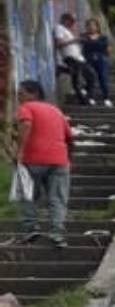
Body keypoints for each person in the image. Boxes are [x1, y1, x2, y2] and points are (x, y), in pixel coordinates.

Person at [13, 80, 73, 248]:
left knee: (27, 194)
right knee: (57, 198)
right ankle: (57, 233)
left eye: (22, 93)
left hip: (32, 159)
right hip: (59, 160)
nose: (19, 97)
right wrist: (67, 158)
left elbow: (26, 123)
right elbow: (69, 137)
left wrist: (20, 150)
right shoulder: (56, 110)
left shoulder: (27, 107)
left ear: (34, 94)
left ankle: (31, 228)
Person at [53, 13, 97, 105]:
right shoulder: (59, 28)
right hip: (70, 57)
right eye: (72, 21)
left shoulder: (67, 31)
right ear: (65, 20)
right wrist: (75, 40)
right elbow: (59, 44)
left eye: (74, 21)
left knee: (90, 76)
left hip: (78, 58)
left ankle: (63, 70)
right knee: (77, 79)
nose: (73, 23)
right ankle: (84, 100)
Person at [81, 18, 113, 107]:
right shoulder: (83, 36)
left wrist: (107, 53)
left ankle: (106, 98)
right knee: (91, 77)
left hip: (101, 59)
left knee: (103, 78)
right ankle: (90, 97)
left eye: (93, 25)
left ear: (97, 27)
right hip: (88, 59)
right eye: (89, 25)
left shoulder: (103, 37)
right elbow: (81, 48)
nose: (91, 27)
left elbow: (108, 49)